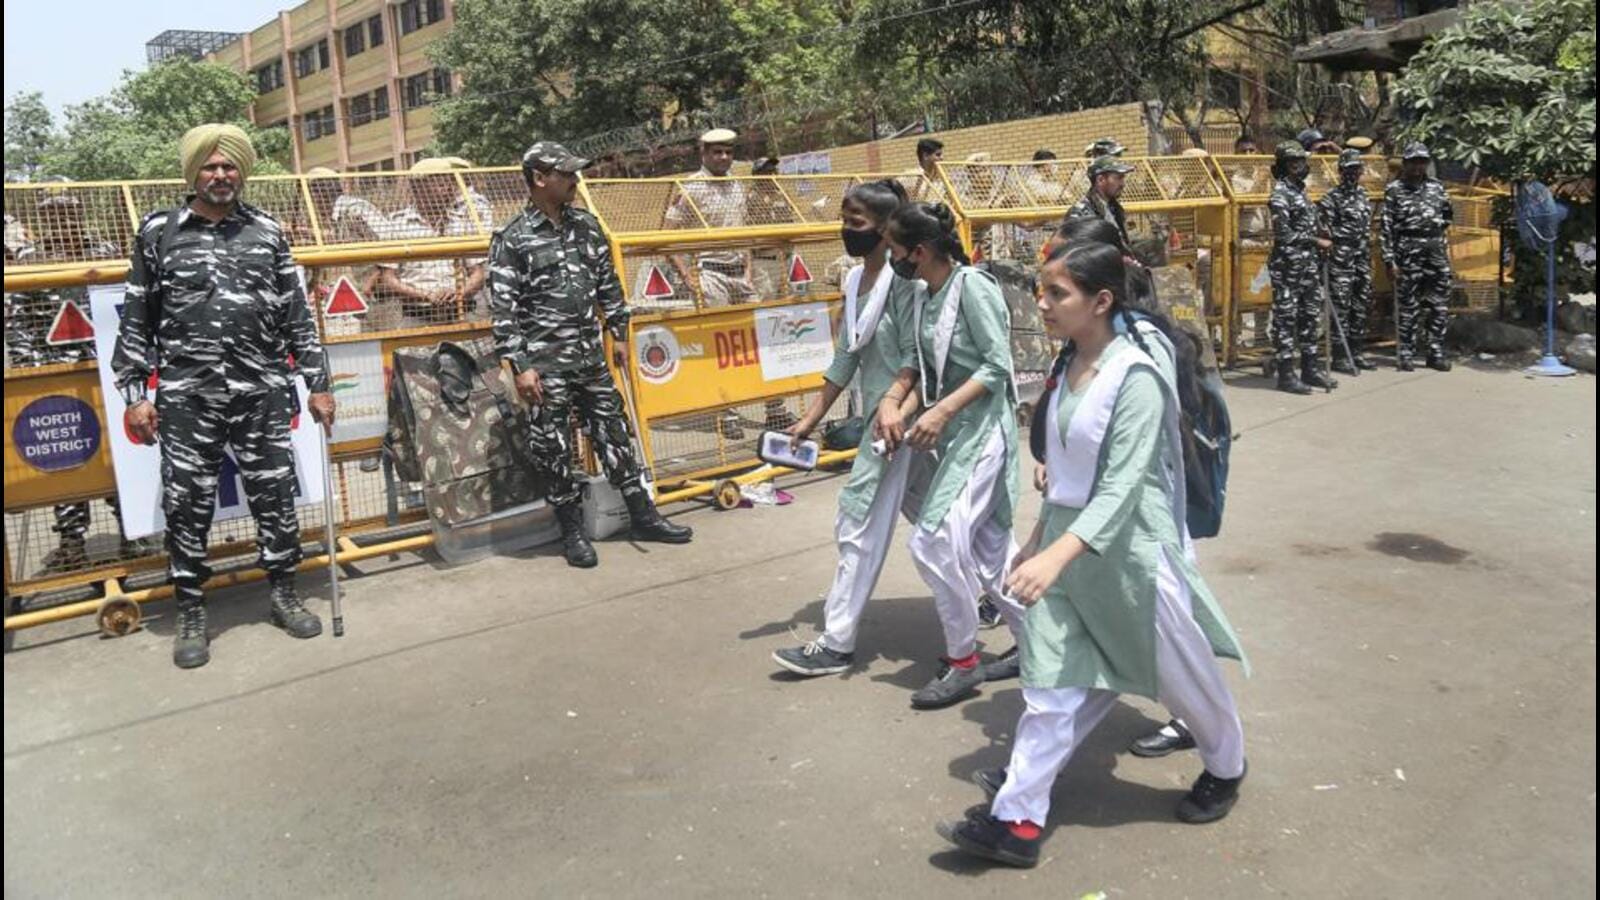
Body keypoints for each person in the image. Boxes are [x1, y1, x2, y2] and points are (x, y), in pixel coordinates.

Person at [936, 240, 1248, 868]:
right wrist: (1037, 539)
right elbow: (1069, 471)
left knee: (1182, 677)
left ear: (1101, 301)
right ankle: (1019, 820)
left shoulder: (1134, 377)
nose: (1042, 305)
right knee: (1053, 686)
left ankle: (1227, 763)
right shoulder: (1067, 365)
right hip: (1067, 550)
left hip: (1131, 557)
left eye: (1058, 294)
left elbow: (1123, 486)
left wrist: (1056, 555)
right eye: (1041, 291)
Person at [111, 123, 337, 669]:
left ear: (242, 171)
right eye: (211, 166)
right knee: (188, 504)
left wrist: (318, 383)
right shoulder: (159, 232)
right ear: (194, 173)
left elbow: (297, 316)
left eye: (230, 166)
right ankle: (191, 610)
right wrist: (136, 394)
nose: (221, 175)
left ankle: (284, 593)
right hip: (189, 398)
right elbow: (137, 317)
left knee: (275, 499)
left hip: (261, 391)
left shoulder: (266, 231)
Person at [489, 141, 692, 569]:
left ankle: (643, 515)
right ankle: (572, 532)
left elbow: (608, 284)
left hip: (590, 359)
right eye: (566, 174)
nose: (575, 180)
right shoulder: (512, 238)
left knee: (615, 434)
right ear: (539, 178)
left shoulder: (586, 225)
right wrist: (520, 366)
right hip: (545, 367)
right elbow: (503, 309)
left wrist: (618, 332)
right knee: (554, 448)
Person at [769, 180, 936, 676]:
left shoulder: (906, 285)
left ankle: (837, 641)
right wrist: (810, 418)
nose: (846, 230)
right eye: (843, 220)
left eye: (856, 223)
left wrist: (896, 413)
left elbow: (915, 356)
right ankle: (1003, 597)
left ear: (887, 231)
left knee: (856, 525)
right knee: (944, 520)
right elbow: (847, 355)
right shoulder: (852, 282)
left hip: (896, 425)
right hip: (882, 421)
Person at [876, 202, 1026, 709]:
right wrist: (900, 408)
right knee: (991, 553)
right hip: (952, 433)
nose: (893, 260)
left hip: (981, 432)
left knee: (934, 540)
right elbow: (928, 371)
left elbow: (996, 366)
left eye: (897, 252)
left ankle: (963, 662)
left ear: (920, 252)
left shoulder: (973, 288)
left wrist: (941, 414)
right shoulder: (924, 296)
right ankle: (1040, 646)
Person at [6, 192, 151, 569]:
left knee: (118, 454)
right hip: (55, 377)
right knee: (66, 458)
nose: (62, 218)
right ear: (42, 218)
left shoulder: (103, 251)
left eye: (68, 210)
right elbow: (18, 321)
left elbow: (126, 305)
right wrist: (30, 370)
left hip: (105, 373)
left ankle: (131, 534)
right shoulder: (29, 260)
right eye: (53, 212)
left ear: (79, 212)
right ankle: (72, 544)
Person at [665, 128, 790, 434]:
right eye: (717, 152)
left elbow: (743, 230)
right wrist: (688, 275)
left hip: (740, 273)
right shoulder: (688, 187)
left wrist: (747, 268)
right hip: (710, 272)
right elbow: (667, 234)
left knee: (762, 339)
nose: (723, 157)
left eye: (728, 152)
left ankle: (774, 409)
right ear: (704, 153)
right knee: (721, 347)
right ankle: (727, 413)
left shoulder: (737, 186)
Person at [371, 156, 491, 330]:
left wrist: (459, 294)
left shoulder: (462, 221)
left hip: (463, 317)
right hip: (417, 321)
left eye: (451, 183)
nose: (450, 189)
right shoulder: (396, 225)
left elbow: (477, 272)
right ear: (419, 188)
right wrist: (426, 296)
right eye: (441, 184)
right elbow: (388, 279)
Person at [1267, 141, 1336, 394]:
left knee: (1310, 316)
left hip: (1308, 266)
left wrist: (1320, 230)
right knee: (1286, 319)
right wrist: (1315, 240)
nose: (1299, 166)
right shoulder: (1280, 194)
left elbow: (1308, 224)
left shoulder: (1301, 192)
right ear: (1283, 166)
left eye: (1301, 161)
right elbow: (1283, 234)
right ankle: (1286, 374)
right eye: (1293, 162)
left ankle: (1310, 368)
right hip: (1287, 267)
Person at [1381, 143, 1454, 372]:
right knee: (1408, 305)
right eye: (1413, 161)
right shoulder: (1394, 190)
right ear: (1405, 163)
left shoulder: (1437, 188)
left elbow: (1447, 216)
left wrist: (1436, 238)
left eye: (1422, 161)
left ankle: (1435, 352)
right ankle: (1406, 352)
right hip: (1407, 250)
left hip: (1435, 250)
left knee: (1439, 305)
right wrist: (1389, 260)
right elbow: (1386, 227)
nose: (1418, 166)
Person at [1319, 148, 1377, 373]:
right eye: (1348, 169)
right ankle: (1340, 357)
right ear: (1340, 171)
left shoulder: (1363, 195)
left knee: (1360, 306)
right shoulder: (1331, 199)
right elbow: (1326, 231)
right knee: (1341, 308)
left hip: (1361, 258)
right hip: (1341, 261)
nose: (1352, 173)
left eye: (1356, 169)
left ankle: (1357, 351)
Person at [1063, 155, 1136, 255]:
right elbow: (1078, 256)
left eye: (1123, 178)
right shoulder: (1081, 214)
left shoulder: (1114, 208)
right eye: (1118, 178)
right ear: (1100, 180)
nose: (1122, 184)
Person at [910, 137, 946, 203]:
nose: (942, 158)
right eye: (938, 155)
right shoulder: (911, 178)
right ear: (925, 156)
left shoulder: (943, 178)